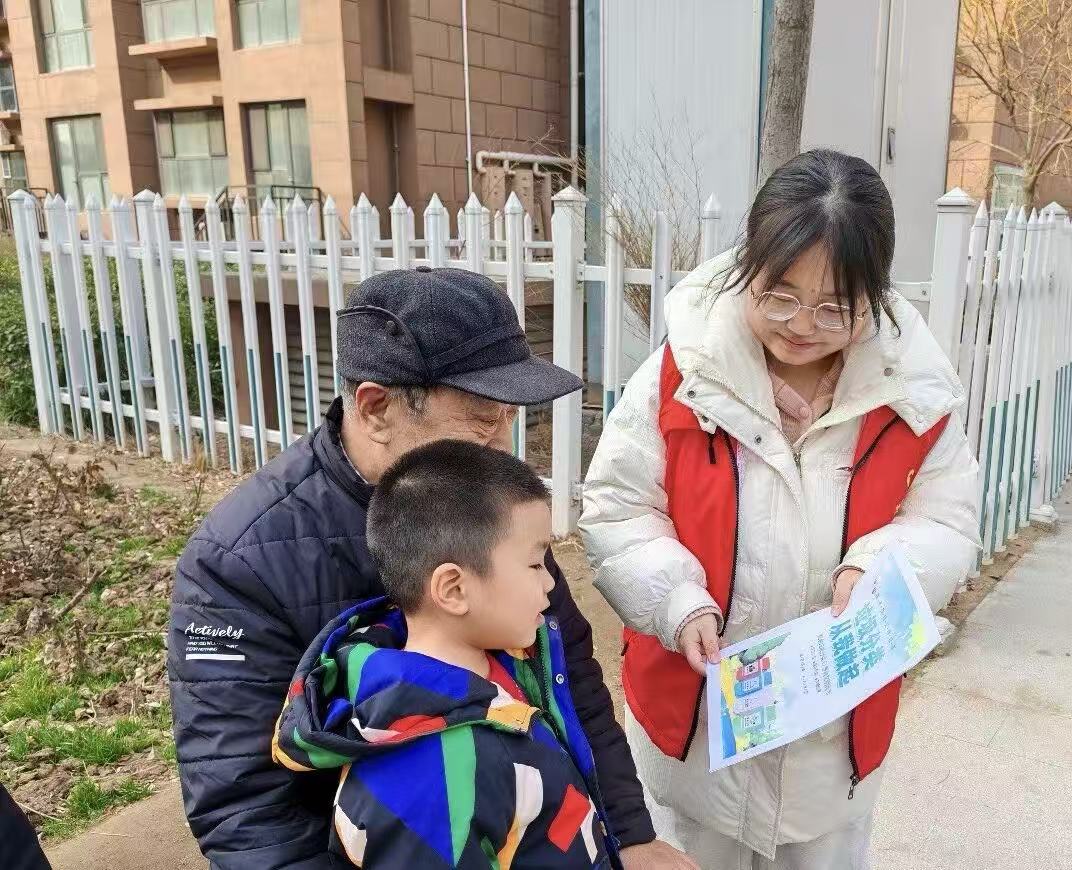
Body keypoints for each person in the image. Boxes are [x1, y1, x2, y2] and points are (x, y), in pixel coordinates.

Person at [169, 267, 693, 869]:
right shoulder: (238, 563)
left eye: (510, 419)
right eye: (482, 421)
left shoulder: (485, 501)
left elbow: (566, 671)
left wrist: (627, 833)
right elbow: (248, 811)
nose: (503, 447)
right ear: (376, 408)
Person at [579, 149, 981, 869]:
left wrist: (879, 567)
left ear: (875, 295)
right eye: (780, 295)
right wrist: (675, 599)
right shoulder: (682, 373)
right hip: (697, 732)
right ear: (750, 267)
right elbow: (617, 508)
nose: (801, 325)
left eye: (834, 307)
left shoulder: (916, 392)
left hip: (831, 741)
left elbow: (946, 521)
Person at [273, 441, 618, 868]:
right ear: (453, 589)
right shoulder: (425, 775)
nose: (549, 582)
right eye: (534, 565)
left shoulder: (509, 663)